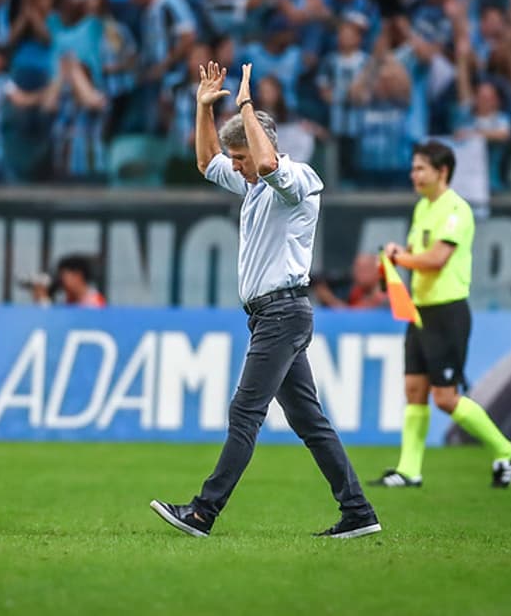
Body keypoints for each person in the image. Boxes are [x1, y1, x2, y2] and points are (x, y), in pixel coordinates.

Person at [150, 61, 381, 540]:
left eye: (240, 157)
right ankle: (358, 511)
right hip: (271, 316)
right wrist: (203, 108)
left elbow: (271, 164)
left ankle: (203, 512)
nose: (234, 167)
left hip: (282, 312)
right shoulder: (254, 185)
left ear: (259, 146)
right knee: (309, 420)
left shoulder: (296, 179)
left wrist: (247, 105)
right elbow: (205, 161)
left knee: (245, 413)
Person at [372, 140, 511, 489]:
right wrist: (396, 259)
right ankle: (409, 471)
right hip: (420, 310)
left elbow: (436, 260)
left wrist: (398, 258)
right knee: (414, 389)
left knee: (445, 398)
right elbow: (415, 253)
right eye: (413, 168)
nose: (414, 174)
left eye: (420, 168)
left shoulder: (456, 210)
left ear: (442, 172)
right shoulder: (423, 208)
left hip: (447, 311)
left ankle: (506, 449)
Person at [314, 253, 388, 310]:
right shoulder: (357, 291)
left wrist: (329, 299)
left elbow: (357, 316)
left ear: (377, 271)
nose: (356, 274)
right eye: (356, 269)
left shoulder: (385, 292)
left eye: (363, 270)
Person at [31, 255, 107, 308]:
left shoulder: (94, 302)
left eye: (63, 276)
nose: (61, 281)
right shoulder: (69, 301)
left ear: (77, 275)